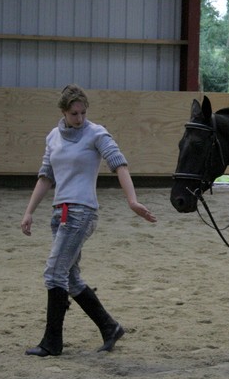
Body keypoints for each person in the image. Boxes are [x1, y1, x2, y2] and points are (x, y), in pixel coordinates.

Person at [21, 84, 157, 357]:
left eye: (83, 113)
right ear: (63, 112)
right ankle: (109, 327)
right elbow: (46, 176)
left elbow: (119, 164)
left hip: (81, 212)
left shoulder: (96, 133)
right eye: (74, 114)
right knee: (69, 278)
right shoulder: (53, 137)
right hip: (60, 212)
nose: (80, 118)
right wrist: (29, 211)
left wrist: (132, 200)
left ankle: (52, 342)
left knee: (53, 273)